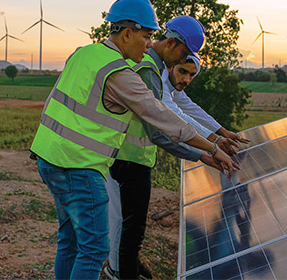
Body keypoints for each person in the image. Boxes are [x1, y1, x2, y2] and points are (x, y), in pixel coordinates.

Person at [29, 0, 239, 280]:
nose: (150, 43)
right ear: (127, 34)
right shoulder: (119, 72)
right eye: (146, 36)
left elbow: (55, 102)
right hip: (78, 165)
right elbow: (163, 118)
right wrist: (211, 146)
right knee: (93, 249)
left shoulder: (83, 53)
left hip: (47, 157)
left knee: (70, 241)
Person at [104, 16, 246, 280]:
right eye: (184, 56)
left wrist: (217, 132)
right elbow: (164, 125)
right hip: (128, 159)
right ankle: (120, 271)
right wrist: (209, 149)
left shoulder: (155, 69)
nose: (183, 61)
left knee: (126, 224)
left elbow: (183, 107)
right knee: (128, 228)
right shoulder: (149, 70)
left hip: (132, 157)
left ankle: (123, 267)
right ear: (171, 43)